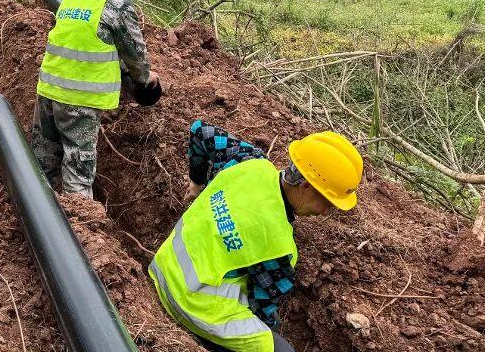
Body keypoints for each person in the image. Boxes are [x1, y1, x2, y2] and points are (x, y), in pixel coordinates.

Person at [149, 124, 364, 352]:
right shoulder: (280, 248)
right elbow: (262, 309)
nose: (324, 213)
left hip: (163, 265)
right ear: (306, 187)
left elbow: (200, 131)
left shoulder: (249, 160)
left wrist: (196, 182)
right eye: (327, 203)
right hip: (189, 304)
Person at [30, 0, 158, 198]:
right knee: (78, 172)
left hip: (48, 90)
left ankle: (39, 215)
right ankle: (79, 230)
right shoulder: (117, 3)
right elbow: (134, 54)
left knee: (44, 163)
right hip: (79, 100)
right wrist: (146, 79)